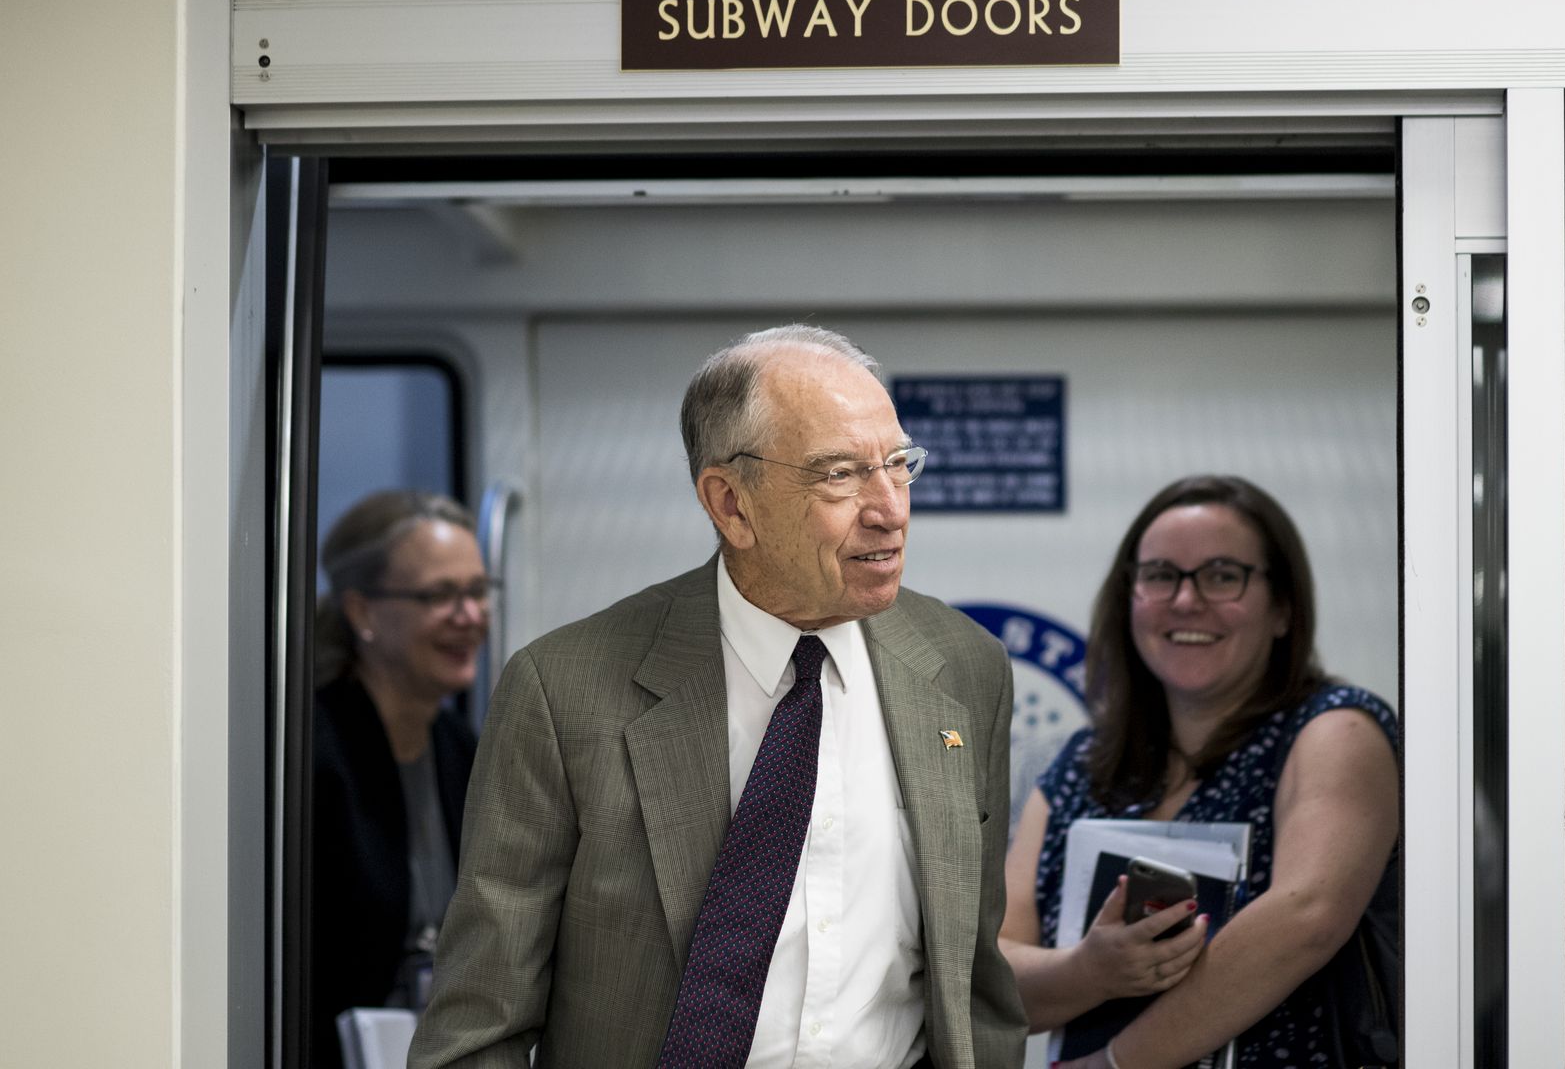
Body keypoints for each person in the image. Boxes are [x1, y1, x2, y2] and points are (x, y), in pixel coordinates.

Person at [409, 325, 1026, 1069]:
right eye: (839, 475)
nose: (889, 508)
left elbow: (977, 991)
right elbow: (480, 1028)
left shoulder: (965, 668)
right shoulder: (564, 690)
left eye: (898, 464)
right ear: (731, 503)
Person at [1000, 475, 1401, 1069]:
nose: (1187, 601)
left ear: (1283, 608)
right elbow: (994, 976)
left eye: (1222, 575)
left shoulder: (1337, 732)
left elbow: (1306, 918)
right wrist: (1091, 971)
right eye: (1161, 575)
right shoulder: (1079, 766)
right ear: (1128, 597)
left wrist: (1115, 1065)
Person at [311, 490, 490, 1069]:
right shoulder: (315, 752)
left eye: (477, 591)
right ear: (362, 612)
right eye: (440, 595)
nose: (470, 617)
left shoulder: (462, 746)